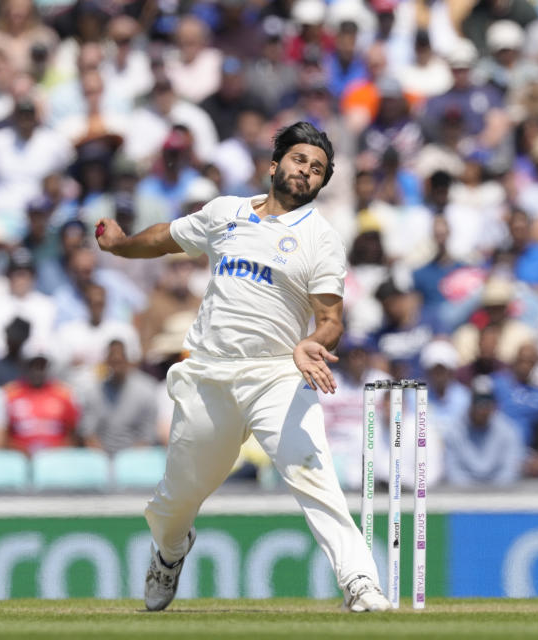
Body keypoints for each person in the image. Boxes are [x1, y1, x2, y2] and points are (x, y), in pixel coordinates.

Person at [95, 122, 389, 612]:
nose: (306, 172)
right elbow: (166, 238)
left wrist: (310, 345)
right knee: (176, 500)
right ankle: (170, 552)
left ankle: (361, 584)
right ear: (274, 165)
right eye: (299, 160)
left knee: (314, 476)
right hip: (210, 374)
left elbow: (331, 320)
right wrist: (121, 245)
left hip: (277, 375)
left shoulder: (321, 238)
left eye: (317, 170)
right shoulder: (224, 212)